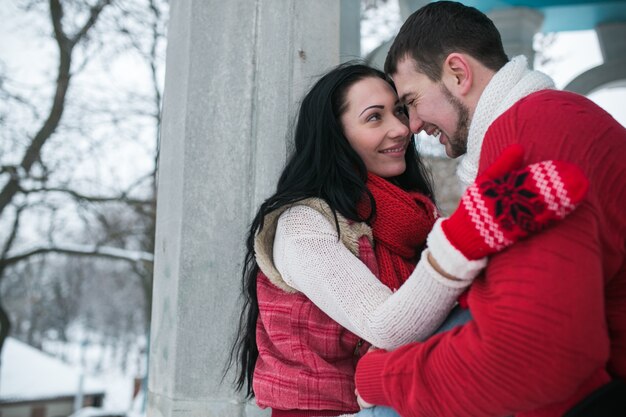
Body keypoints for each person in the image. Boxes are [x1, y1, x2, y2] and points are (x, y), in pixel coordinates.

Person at [226, 62, 587, 417]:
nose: (401, 128)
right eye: (374, 117)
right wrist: (466, 235)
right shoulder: (302, 225)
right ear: (335, 136)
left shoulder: (417, 217)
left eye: (399, 112)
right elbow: (385, 327)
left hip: (398, 401)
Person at [354, 2, 626, 417]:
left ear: (458, 73)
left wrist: (381, 377)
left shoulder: (530, 131)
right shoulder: (545, 120)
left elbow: (531, 358)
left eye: (411, 101)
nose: (410, 127)